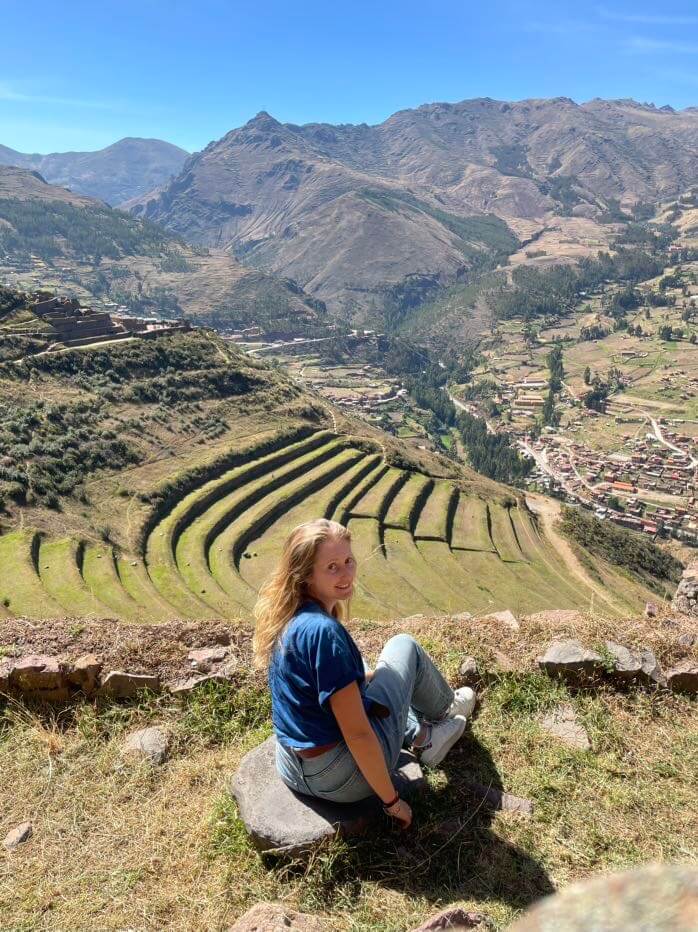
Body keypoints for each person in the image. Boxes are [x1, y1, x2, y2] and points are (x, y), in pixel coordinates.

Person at [253, 518, 476, 829]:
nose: (346, 574)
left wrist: (362, 679)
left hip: (293, 767)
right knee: (403, 646)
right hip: (341, 778)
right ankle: (441, 716)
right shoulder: (324, 635)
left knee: (364, 671)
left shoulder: (287, 616)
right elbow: (357, 735)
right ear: (305, 574)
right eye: (332, 567)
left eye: (348, 560)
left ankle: (419, 732)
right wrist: (392, 801)